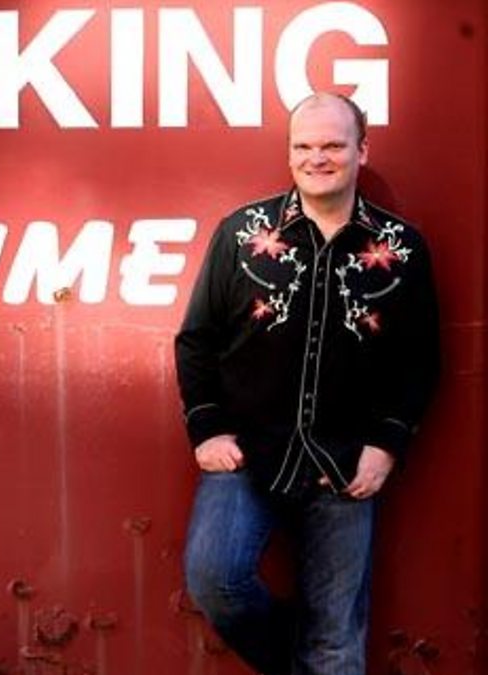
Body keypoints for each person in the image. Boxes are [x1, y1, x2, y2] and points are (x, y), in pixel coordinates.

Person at [174, 91, 440, 675]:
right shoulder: (242, 234)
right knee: (215, 580)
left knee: (336, 644)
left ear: (361, 151)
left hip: (346, 465)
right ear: (289, 152)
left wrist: (387, 445)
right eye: (304, 146)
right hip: (248, 456)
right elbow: (196, 339)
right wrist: (207, 427)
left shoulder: (401, 248)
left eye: (333, 145)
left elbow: (419, 360)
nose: (317, 158)